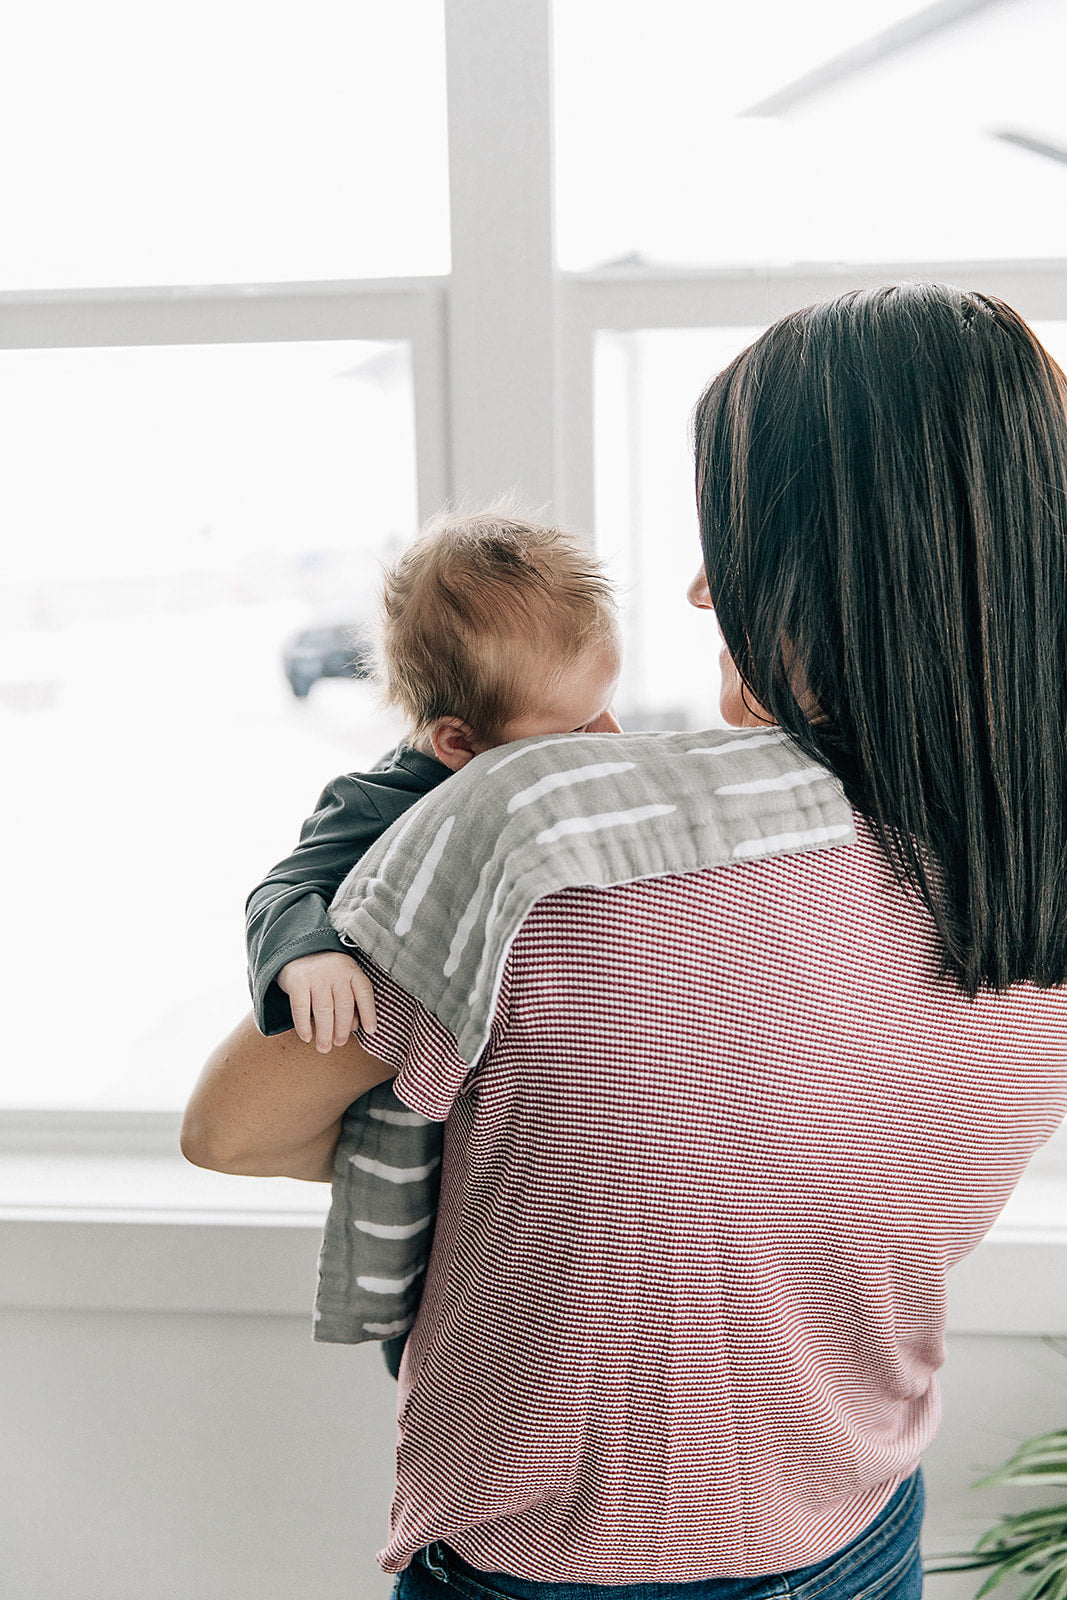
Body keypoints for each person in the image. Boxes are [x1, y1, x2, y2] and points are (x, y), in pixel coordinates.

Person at [182, 283, 1067, 1599]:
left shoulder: (548, 829)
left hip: (576, 1562)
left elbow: (233, 1126)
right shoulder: (1028, 860)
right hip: (858, 1525)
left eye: (736, 540)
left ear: (841, 568)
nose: (705, 588)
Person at [245, 507, 621, 1373]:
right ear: (458, 742)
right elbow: (281, 888)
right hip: (417, 1100)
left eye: (608, 710)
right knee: (427, 1271)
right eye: (574, 729)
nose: (607, 742)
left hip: (535, 1095)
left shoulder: (563, 770)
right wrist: (309, 950)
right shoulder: (377, 801)